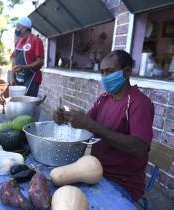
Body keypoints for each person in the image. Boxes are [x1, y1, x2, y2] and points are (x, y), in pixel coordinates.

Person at [53, 50, 154, 201]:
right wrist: (65, 118)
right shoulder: (104, 99)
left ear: (126, 72)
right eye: (102, 72)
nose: (105, 77)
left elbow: (140, 148)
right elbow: (85, 123)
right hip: (92, 169)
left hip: (122, 182)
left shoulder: (139, 103)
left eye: (110, 72)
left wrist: (93, 126)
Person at [10, 16, 44, 97]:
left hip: (32, 79)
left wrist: (24, 67)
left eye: (18, 26)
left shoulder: (36, 40)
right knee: (19, 103)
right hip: (19, 79)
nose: (16, 29)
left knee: (28, 105)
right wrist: (12, 77)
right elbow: (14, 59)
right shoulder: (18, 42)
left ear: (24, 28)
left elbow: (40, 62)